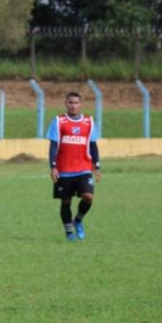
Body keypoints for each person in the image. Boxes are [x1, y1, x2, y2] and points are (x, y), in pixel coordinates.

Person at [46, 92, 101, 241]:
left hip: (84, 167)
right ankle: (69, 231)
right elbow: (53, 146)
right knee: (66, 201)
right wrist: (53, 166)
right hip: (64, 169)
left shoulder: (89, 122)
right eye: (70, 102)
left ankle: (78, 220)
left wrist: (97, 166)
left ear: (80, 104)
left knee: (88, 197)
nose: (73, 105)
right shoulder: (58, 121)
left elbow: (93, 145)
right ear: (66, 103)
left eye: (76, 103)